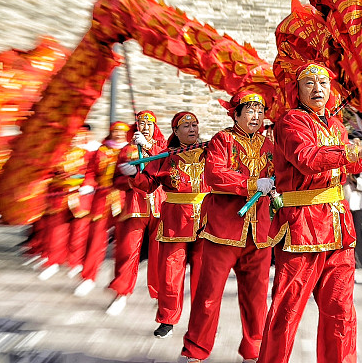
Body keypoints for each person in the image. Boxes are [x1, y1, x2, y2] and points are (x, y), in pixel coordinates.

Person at [258, 63, 362, 363]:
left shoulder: (336, 125)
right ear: (297, 89)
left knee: (341, 312)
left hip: (338, 228)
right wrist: (350, 152)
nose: (318, 89)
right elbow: (307, 158)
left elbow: (349, 164)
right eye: (309, 83)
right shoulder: (290, 122)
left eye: (323, 83)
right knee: (287, 310)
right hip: (302, 227)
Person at [179, 92, 274, 363]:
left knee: (257, 299)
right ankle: (196, 350)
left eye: (260, 110)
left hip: (260, 233)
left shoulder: (270, 146)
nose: (256, 116)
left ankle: (254, 351)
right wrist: (252, 184)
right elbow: (215, 174)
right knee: (208, 296)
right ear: (235, 114)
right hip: (224, 231)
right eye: (250, 110)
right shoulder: (223, 140)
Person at [129, 111, 206, 339]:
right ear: (175, 132)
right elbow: (149, 184)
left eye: (194, 125)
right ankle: (167, 319)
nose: (192, 129)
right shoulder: (166, 156)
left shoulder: (209, 151)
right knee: (171, 274)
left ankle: (202, 321)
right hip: (175, 220)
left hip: (206, 219)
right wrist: (134, 173)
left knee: (205, 275)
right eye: (186, 126)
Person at [105, 110, 166, 316]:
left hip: (159, 206)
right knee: (127, 251)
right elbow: (116, 181)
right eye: (142, 124)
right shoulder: (126, 151)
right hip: (135, 207)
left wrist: (149, 149)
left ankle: (161, 295)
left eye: (150, 124)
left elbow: (168, 166)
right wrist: (129, 176)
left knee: (161, 255)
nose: (146, 127)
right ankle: (121, 292)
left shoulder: (162, 147)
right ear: (137, 126)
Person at [74, 121, 130, 297]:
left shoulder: (132, 151)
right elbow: (90, 172)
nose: (119, 135)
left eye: (122, 132)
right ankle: (88, 277)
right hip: (102, 200)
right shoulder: (101, 151)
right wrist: (88, 184)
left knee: (124, 246)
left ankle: (121, 287)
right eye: (116, 131)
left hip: (123, 202)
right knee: (95, 241)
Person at [37, 128, 95, 281]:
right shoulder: (58, 155)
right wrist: (59, 182)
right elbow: (49, 174)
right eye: (72, 136)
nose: (74, 139)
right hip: (60, 196)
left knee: (79, 232)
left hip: (80, 197)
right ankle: (53, 261)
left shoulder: (88, 154)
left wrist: (87, 184)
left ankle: (76, 262)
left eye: (77, 136)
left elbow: (92, 172)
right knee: (57, 232)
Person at [344, 172, 362, 268]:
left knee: (357, 234)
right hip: (343, 205)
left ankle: (357, 260)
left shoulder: (359, 170)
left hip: (357, 206)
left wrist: (354, 180)